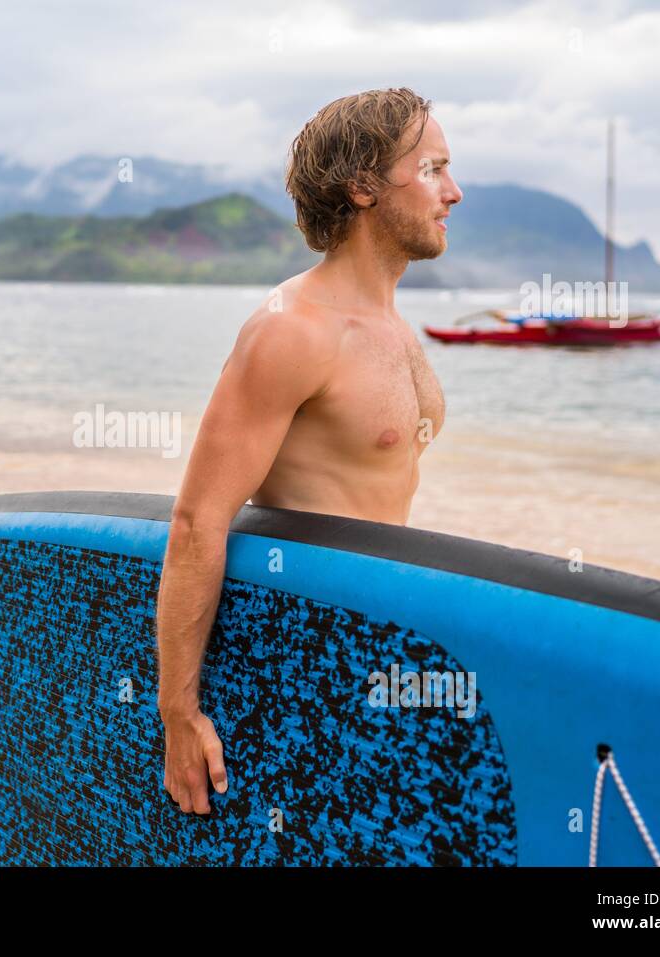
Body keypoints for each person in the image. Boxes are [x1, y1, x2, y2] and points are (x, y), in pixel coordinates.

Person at [154, 87, 462, 815]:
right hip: (308, 657)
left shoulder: (393, 326)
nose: (453, 191)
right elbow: (198, 522)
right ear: (362, 187)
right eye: (431, 170)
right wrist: (178, 713)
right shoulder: (293, 332)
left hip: (382, 647)